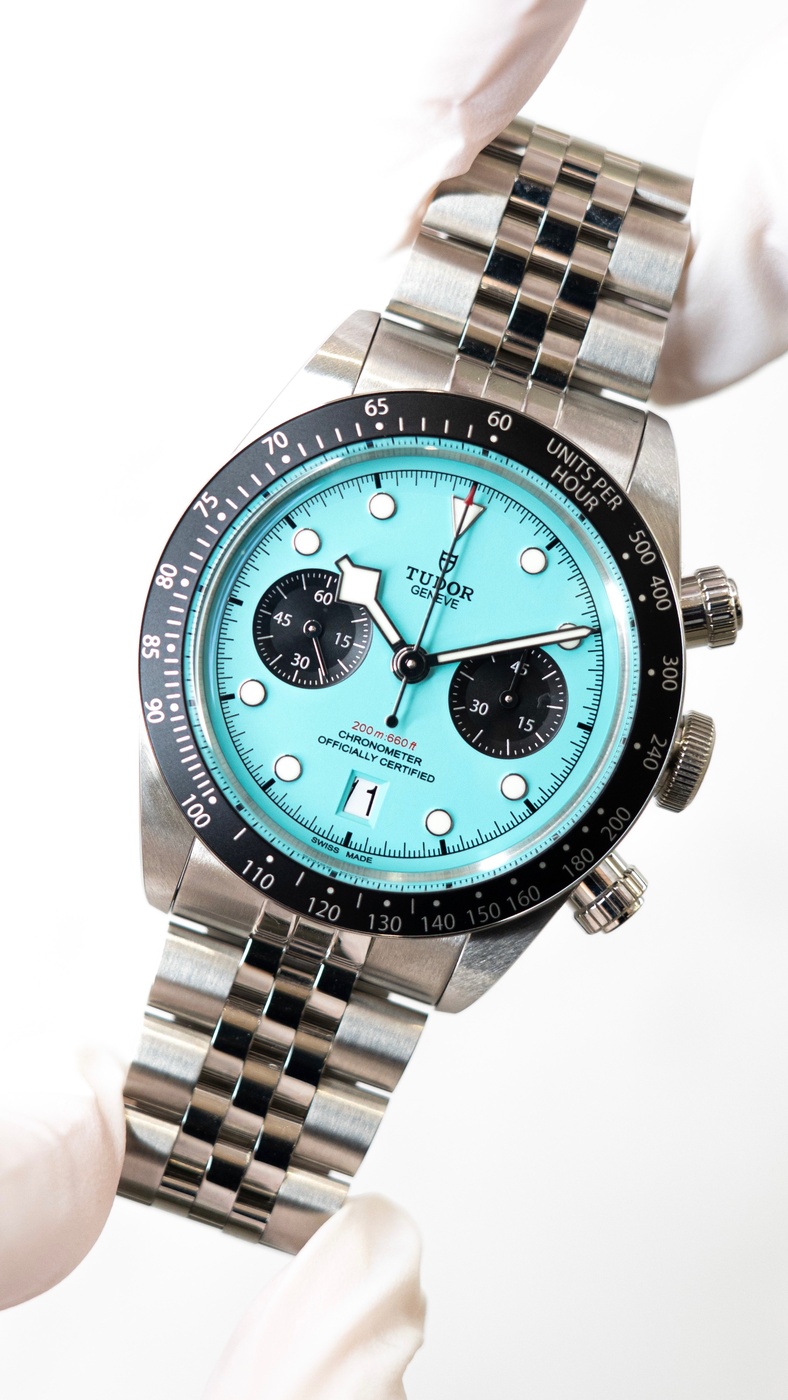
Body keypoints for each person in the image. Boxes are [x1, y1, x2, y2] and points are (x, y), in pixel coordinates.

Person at [2, 2, 786, 1395]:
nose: (409, 671)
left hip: (379, 865)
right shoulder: (350, 383)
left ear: (651, 747)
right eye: (367, 640)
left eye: (506, 686)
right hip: (299, 833)